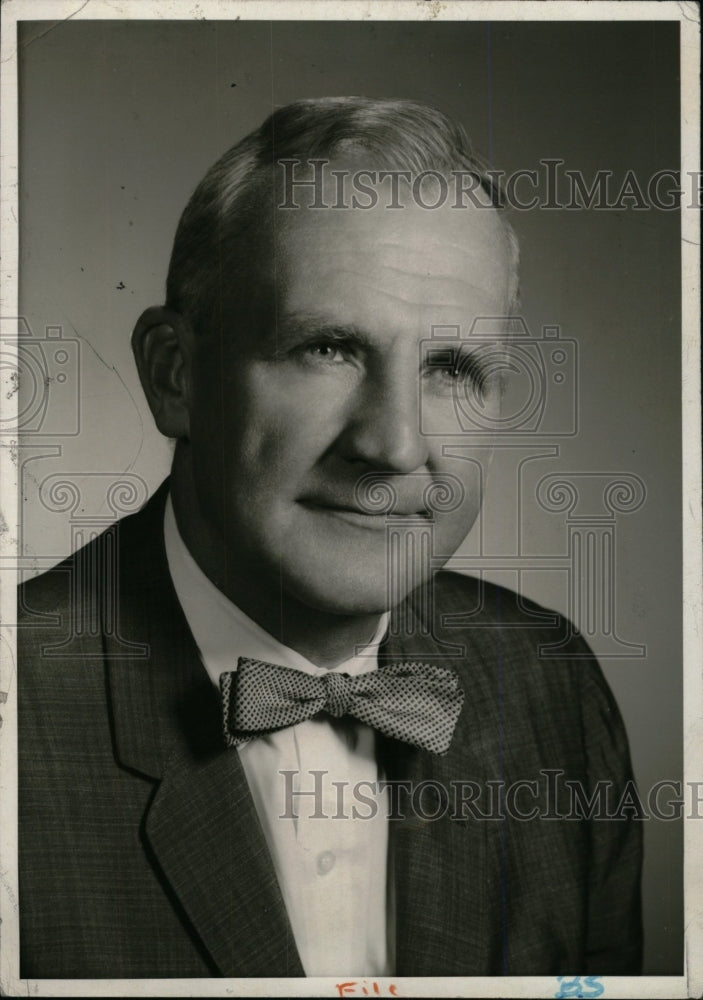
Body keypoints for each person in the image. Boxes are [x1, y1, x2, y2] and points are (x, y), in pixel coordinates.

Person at [18, 97, 642, 979]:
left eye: (450, 368)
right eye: (330, 348)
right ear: (175, 376)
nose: (392, 444)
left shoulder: (551, 685)